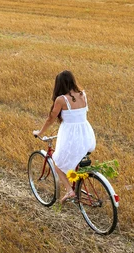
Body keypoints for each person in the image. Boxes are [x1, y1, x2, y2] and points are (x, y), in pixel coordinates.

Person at [33, 70, 96, 202]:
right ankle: (78, 185)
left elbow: (51, 119)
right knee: (75, 162)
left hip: (71, 137)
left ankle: (70, 191)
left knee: (58, 163)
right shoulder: (82, 94)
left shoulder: (61, 99)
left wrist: (40, 132)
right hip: (87, 136)